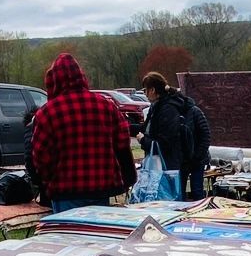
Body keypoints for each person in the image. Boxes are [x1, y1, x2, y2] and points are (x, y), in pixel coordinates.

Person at [31, 53, 133, 213]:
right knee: (99, 235)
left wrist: (47, 181)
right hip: (101, 186)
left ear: (54, 80)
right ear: (82, 77)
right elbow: (123, 145)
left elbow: (41, 157)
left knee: (68, 236)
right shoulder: (107, 106)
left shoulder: (47, 112)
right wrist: (128, 177)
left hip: (65, 191)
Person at [138, 71, 208, 198]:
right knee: (179, 191)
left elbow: (205, 135)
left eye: (145, 90)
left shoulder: (176, 110)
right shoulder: (156, 108)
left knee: (194, 191)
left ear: (152, 90)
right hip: (181, 160)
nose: (145, 94)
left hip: (192, 159)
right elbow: (146, 129)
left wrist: (196, 157)